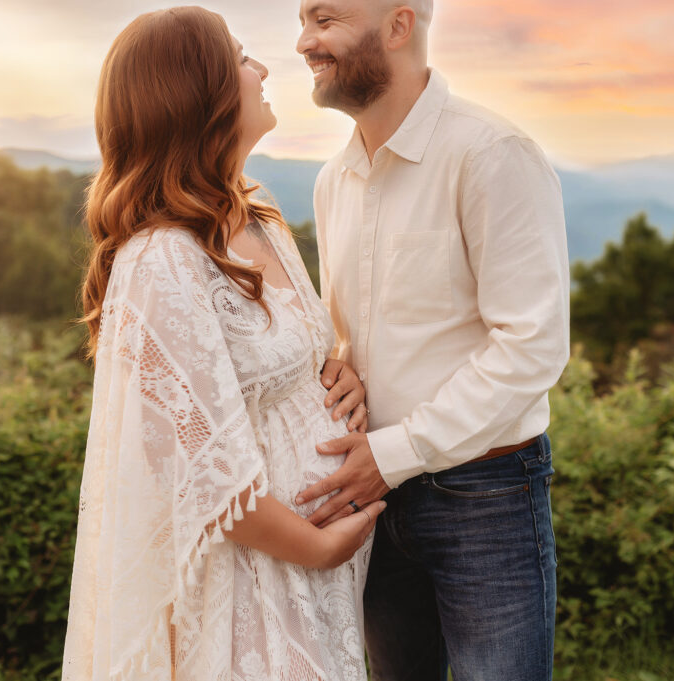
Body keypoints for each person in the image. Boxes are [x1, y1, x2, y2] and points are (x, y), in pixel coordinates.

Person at [62, 7, 386, 681]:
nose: (264, 69)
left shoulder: (260, 218)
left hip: (321, 583)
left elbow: (292, 357)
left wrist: (339, 372)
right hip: (254, 587)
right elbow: (198, 473)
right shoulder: (162, 260)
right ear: (195, 91)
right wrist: (319, 548)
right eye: (242, 58)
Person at [293, 1, 571, 680]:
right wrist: (340, 369)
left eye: (324, 19)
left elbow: (532, 344)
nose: (305, 42)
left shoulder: (492, 153)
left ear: (398, 25)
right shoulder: (334, 180)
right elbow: (349, 338)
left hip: (486, 497)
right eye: (303, 21)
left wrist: (394, 453)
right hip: (373, 498)